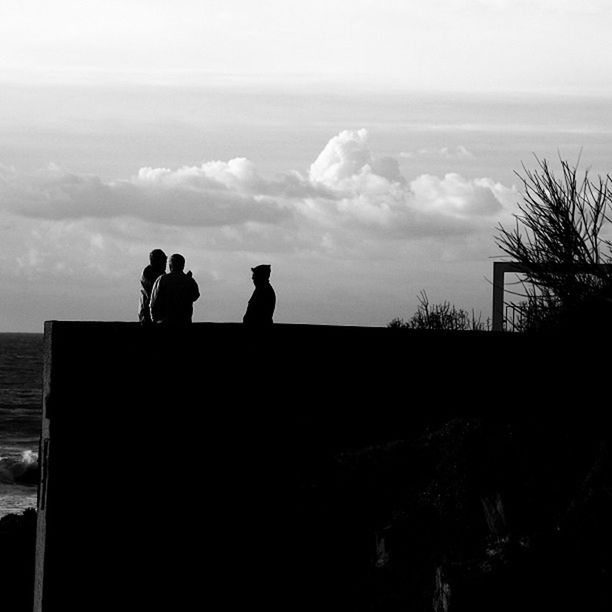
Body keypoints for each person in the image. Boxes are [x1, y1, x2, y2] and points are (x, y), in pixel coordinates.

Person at [150, 253, 200, 325]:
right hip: (184, 321)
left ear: (170, 266)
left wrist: (154, 319)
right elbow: (195, 296)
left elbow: (153, 302)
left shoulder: (162, 279)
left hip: (165, 321)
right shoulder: (189, 281)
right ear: (183, 265)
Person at [139, 249, 167, 324]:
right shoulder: (148, 274)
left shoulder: (158, 273)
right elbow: (158, 290)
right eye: (164, 262)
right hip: (148, 314)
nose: (165, 265)